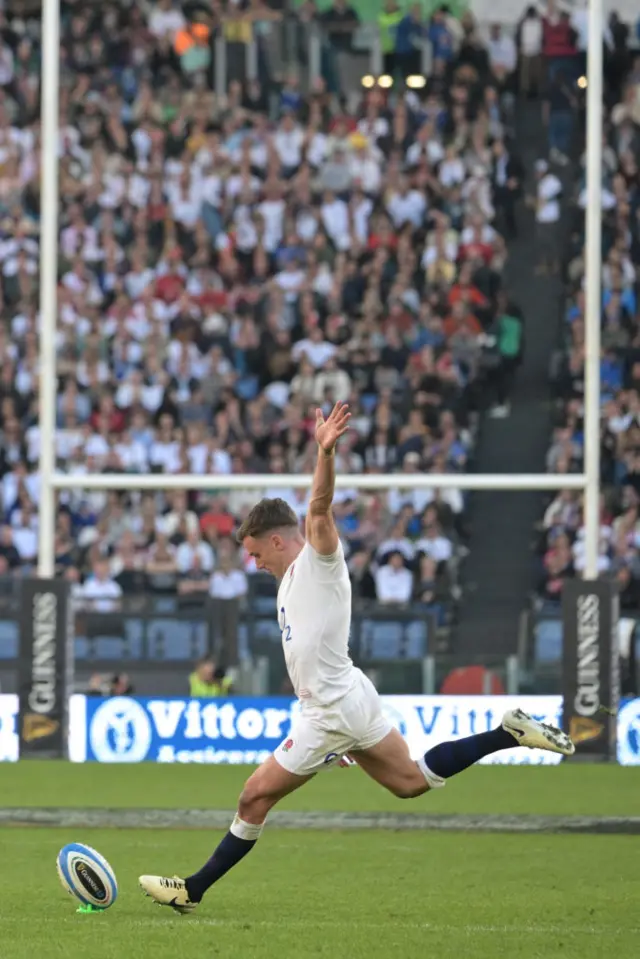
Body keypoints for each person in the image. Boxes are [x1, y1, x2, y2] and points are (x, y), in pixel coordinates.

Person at [139, 402, 575, 913]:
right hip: (348, 695)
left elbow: (319, 508)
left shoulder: (317, 562)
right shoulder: (288, 583)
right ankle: (508, 732)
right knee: (411, 782)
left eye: (257, 553)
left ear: (278, 540)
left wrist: (325, 451)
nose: (255, 564)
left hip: (330, 711)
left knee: (253, 797)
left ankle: (192, 889)